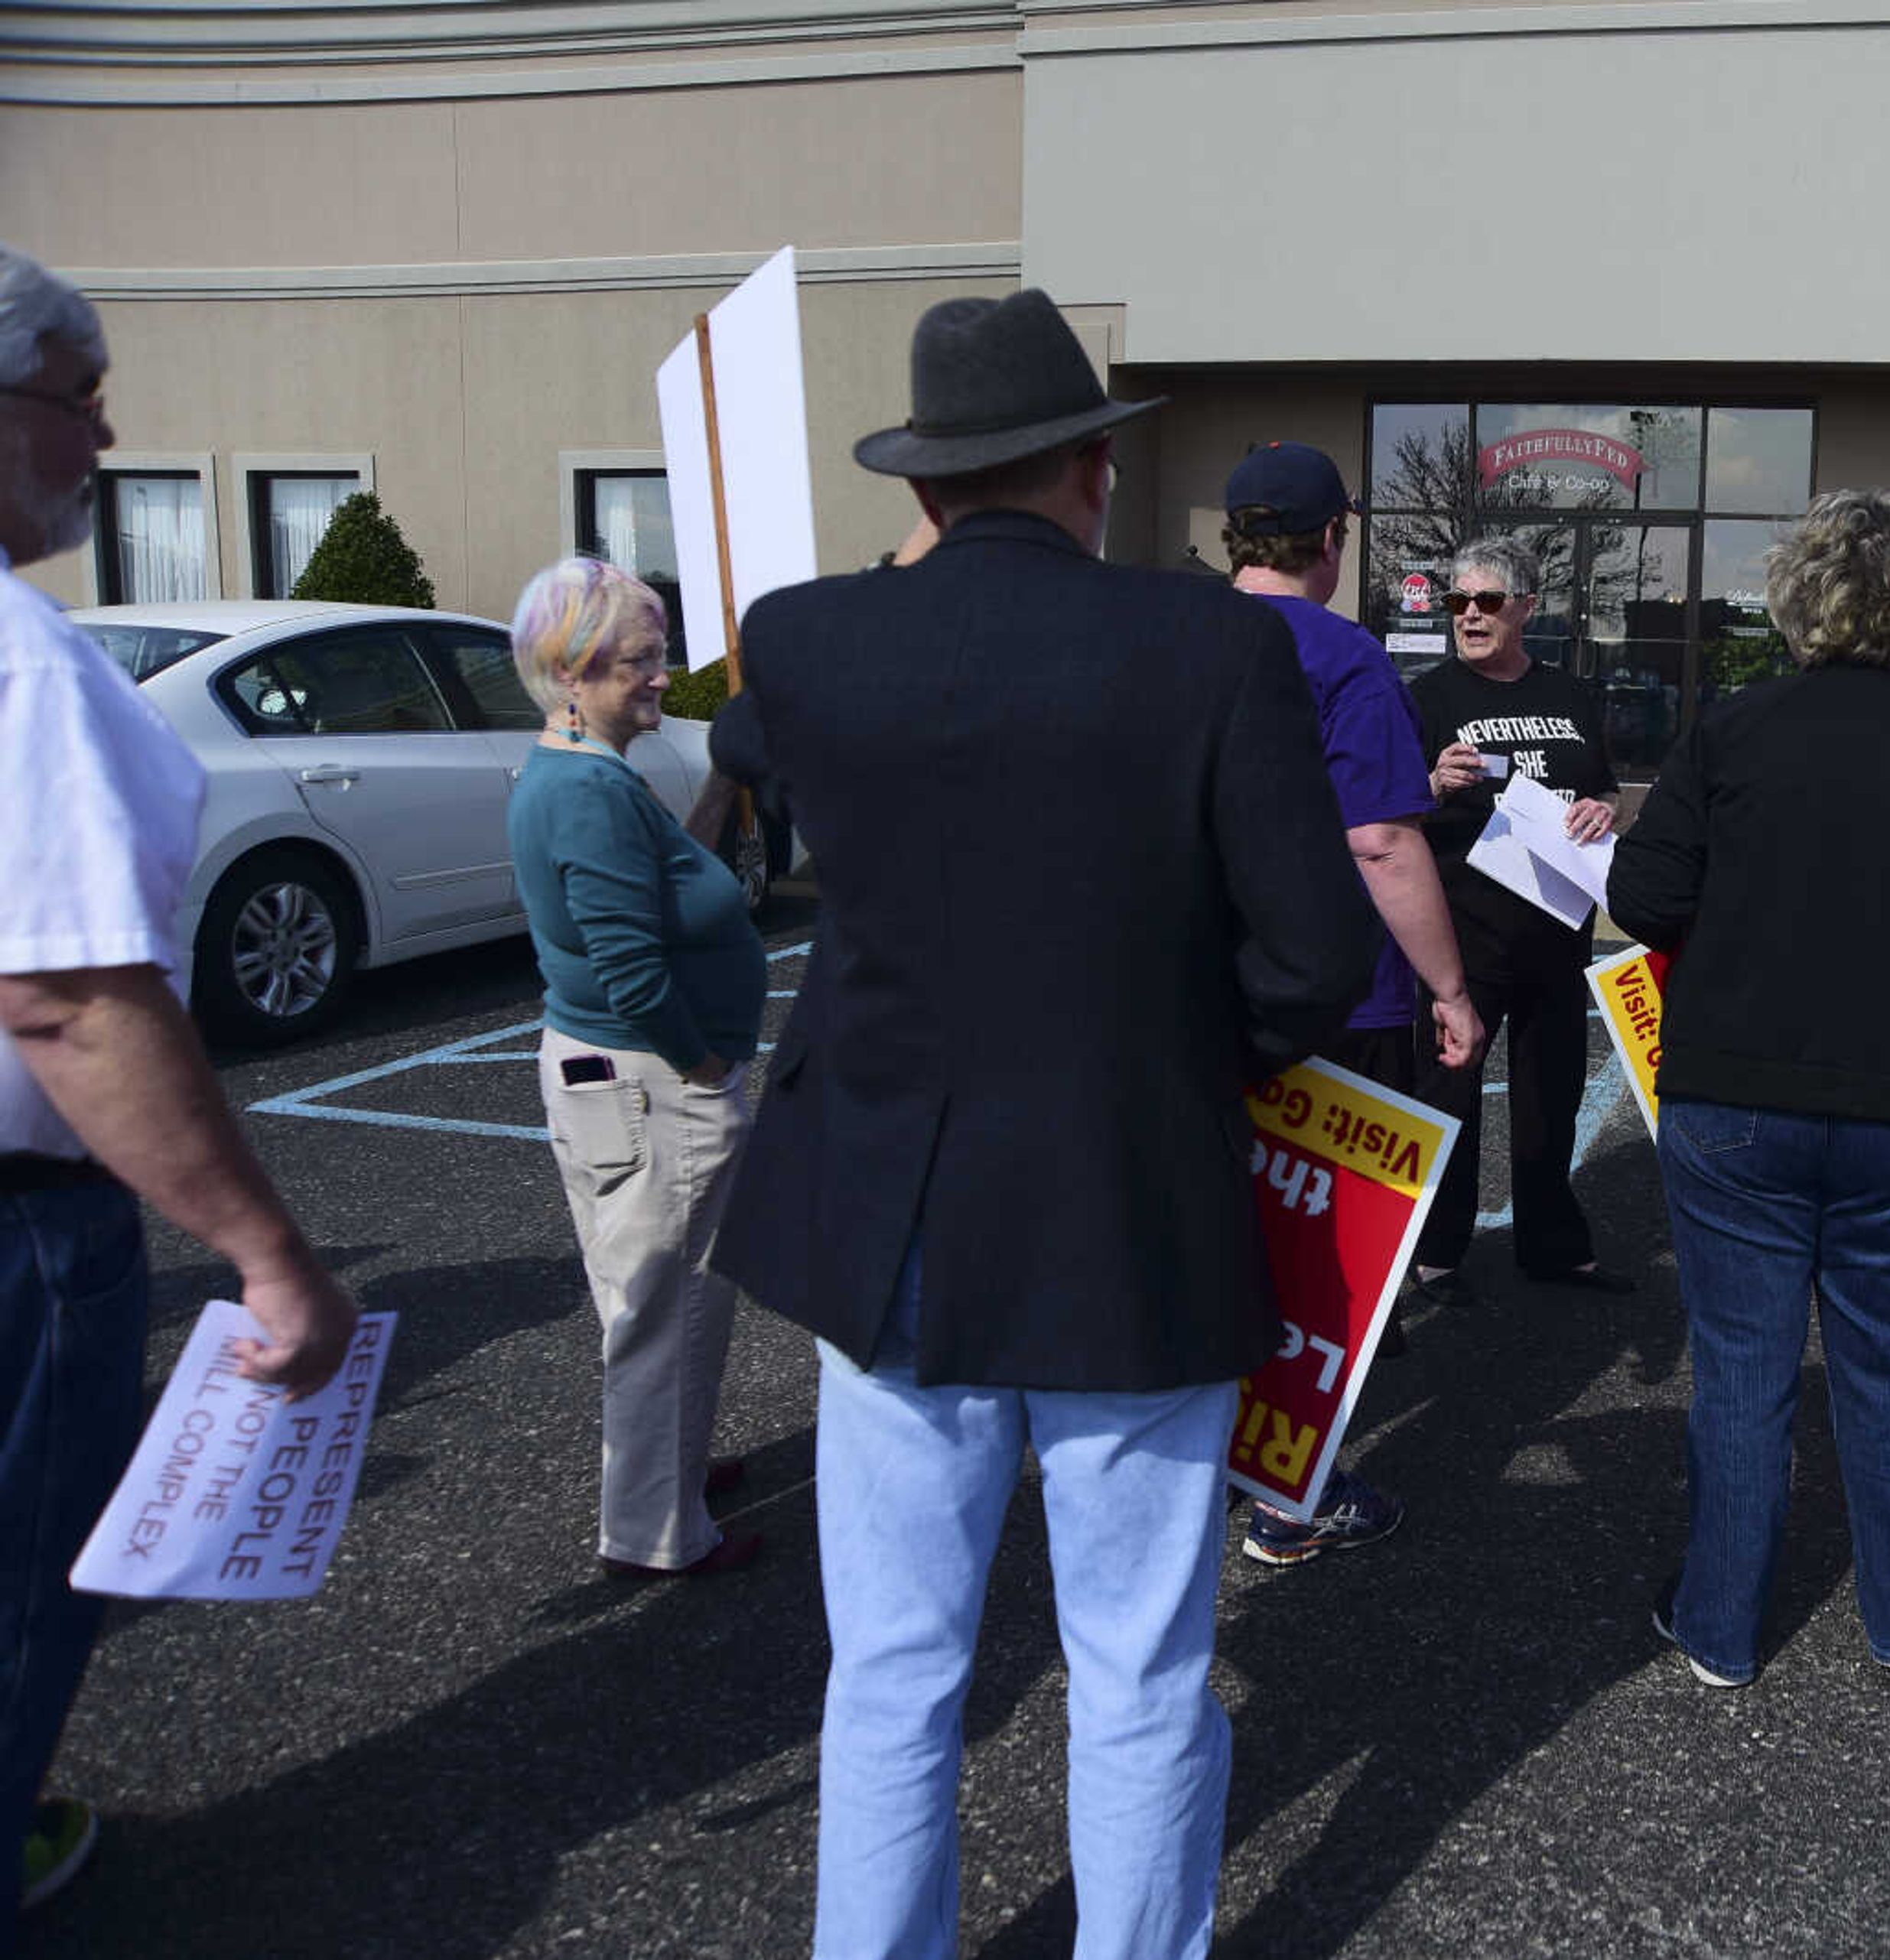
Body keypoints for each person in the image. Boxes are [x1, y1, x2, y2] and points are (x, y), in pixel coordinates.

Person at [706, 290, 1374, 1960]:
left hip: (891, 1220)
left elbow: (742, 744)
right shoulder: (1211, 643)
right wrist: (1169, 1043)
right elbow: (1312, 960)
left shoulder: (801, 638)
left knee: (893, 1677)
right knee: (1139, 1673)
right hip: (1129, 1204)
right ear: (1091, 467)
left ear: (924, 488)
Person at [0, 243, 359, 1941]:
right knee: (15, 1585)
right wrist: (267, 1251)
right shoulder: (23, 669)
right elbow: (68, 998)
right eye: (78, 404)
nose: (105, 436)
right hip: (19, 1231)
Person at [1610, 489, 1890, 1689]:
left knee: (1744, 1367)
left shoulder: (1734, 730)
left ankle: (1719, 1623)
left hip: (1736, 1093)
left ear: (1798, 597)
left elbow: (1645, 896)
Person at [1220, 440, 1483, 1567]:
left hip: (1193, 990)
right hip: (1334, 994)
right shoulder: (1346, 658)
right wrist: (1452, 986)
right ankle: (1290, 1494)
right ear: (1333, 539)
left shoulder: (1168, 639)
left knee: (1219, 1226)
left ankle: (1206, 1461)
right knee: (1322, 1247)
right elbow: (1379, 838)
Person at [506, 557, 769, 1579]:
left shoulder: (583, 767)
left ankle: (666, 1471)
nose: (662, 677)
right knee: (667, 1300)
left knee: (652, 1293)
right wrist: (703, 1068)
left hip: (614, 1077)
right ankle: (658, 1529)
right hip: (646, 1080)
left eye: (659, 654)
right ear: (572, 674)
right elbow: (628, 965)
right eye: (638, 663)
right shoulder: (585, 790)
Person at [1407, 535, 1632, 1297]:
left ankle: (1554, 1245)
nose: (1470, 614)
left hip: (1556, 923)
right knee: (1450, 1094)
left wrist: (1605, 809)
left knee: (1553, 1093)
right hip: (1462, 932)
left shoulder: (1569, 694)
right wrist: (1432, 781)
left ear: (1527, 608)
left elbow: (1604, 787)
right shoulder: (1428, 695)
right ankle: (1436, 1253)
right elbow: (1385, 805)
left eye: (1488, 601)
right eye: (1458, 602)